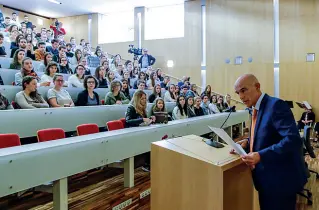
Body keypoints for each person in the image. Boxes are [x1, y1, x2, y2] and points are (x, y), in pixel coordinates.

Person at [233, 74, 307, 210]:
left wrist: (261, 155)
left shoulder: (275, 105)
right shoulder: (255, 108)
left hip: (280, 181)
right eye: (238, 93)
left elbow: (293, 139)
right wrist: (246, 142)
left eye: (244, 90)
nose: (241, 97)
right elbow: (265, 134)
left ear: (257, 86)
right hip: (267, 180)